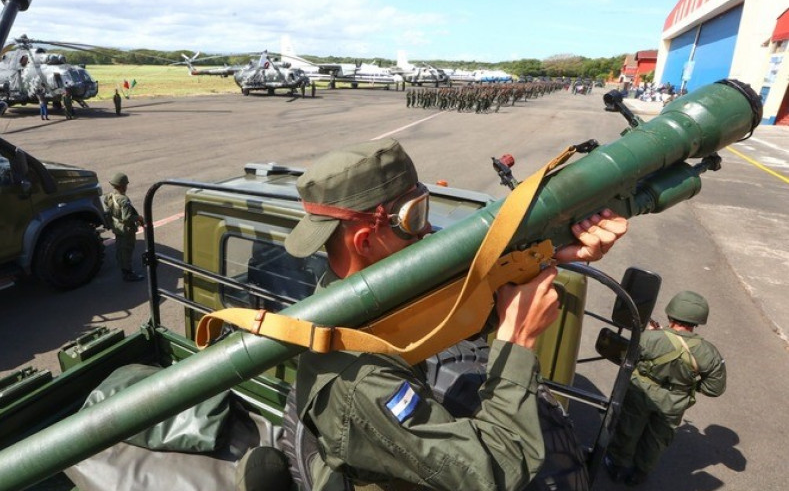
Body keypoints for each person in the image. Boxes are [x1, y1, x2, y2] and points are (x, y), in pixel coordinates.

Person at [280, 138, 628, 491]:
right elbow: (494, 472)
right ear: (365, 242)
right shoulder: (359, 382)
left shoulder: (361, 295)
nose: (427, 229)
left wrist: (548, 253)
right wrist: (517, 342)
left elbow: (445, 309)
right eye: (415, 216)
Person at [605, 290, 726, 486]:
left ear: (670, 314)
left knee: (628, 428)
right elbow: (715, 388)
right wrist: (687, 384)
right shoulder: (709, 353)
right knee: (657, 439)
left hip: (640, 392)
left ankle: (617, 465)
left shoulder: (650, 338)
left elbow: (624, 358)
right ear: (698, 321)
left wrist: (655, 337)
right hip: (675, 401)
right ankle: (639, 473)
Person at [103, 172, 146, 282]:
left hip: (116, 228)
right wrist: (139, 218)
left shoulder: (109, 196)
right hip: (126, 230)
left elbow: (107, 210)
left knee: (120, 247)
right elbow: (127, 218)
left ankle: (121, 265)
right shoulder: (123, 200)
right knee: (127, 250)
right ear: (123, 186)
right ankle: (127, 273)